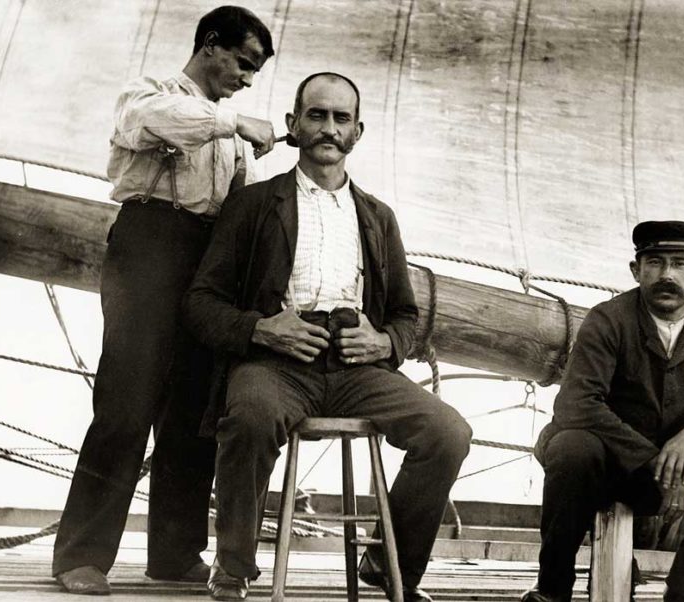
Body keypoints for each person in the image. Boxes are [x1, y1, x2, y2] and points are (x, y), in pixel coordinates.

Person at [184, 72, 472, 602]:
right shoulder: (252, 205)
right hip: (275, 362)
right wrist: (261, 329)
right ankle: (233, 570)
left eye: (341, 119)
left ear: (357, 132)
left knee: (448, 432)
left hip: (356, 366)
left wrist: (384, 344)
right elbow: (201, 304)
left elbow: (407, 315)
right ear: (294, 125)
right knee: (248, 418)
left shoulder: (378, 218)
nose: (328, 128)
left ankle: (390, 569)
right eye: (316, 115)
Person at [52, 6, 278, 595]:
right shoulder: (150, 94)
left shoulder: (228, 132)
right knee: (126, 403)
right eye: (244, 64)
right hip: (149, 246)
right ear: (210, 45)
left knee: (194, 411)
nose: (248, 79)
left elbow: (241, 207)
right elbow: (149, 121)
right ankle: (81, 556)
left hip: (208, 260)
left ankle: (175, 554)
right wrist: (235, 126)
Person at [522, 221, 684, 602]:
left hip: (676, 473)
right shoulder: (607, 320)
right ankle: (552, 589)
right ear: (635, 270)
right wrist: (655, 461)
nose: (667, 275)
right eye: (655, 263)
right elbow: (577, 404)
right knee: (571, 448)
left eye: (680, 264)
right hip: (605, 468)